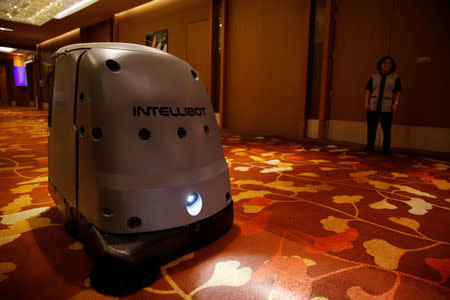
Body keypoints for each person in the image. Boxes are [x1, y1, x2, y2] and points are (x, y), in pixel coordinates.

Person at [363, 56, 402, 154]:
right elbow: (368, 90)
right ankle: (370, 146)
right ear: (380, 64)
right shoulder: (374, 76)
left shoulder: (395, 77)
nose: (387, 65)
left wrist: (395, 104)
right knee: (371, 127)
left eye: (389, 63)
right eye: (385, 63)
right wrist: (366, 102)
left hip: (387, 106)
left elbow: (398, 91)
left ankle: (386, 148)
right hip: (373, 105)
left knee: (386, 128)